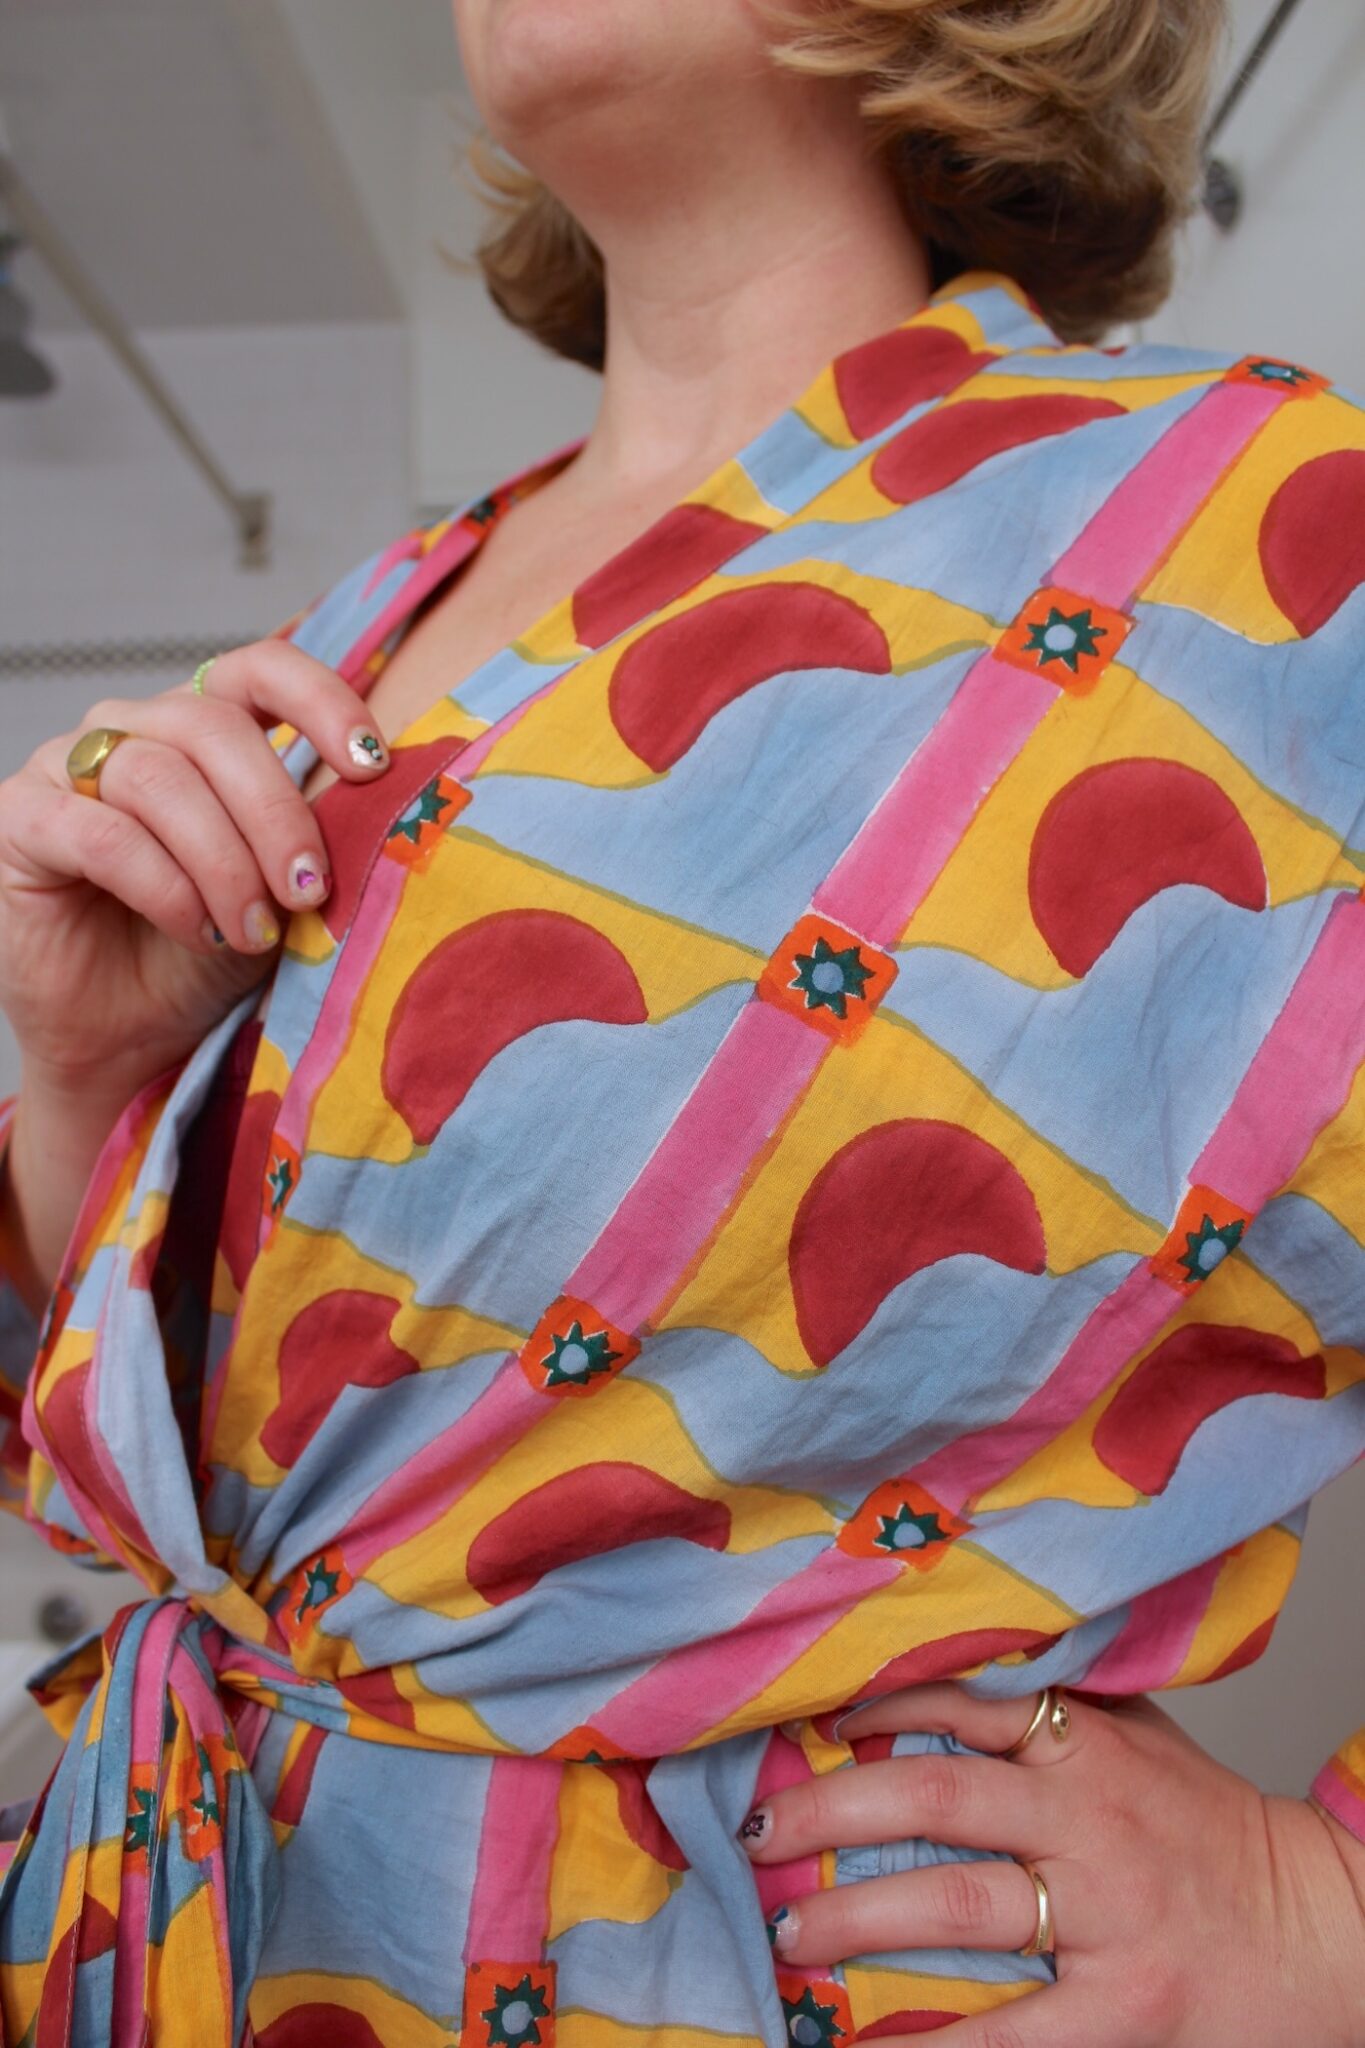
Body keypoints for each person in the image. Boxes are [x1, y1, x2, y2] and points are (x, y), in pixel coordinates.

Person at [0, 0, 1363, 2041]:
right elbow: (161, 1454)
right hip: (179, 1933)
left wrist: (1318, 1906)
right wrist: (87, 1075)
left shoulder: (1269, 542)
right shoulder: (366, 625)